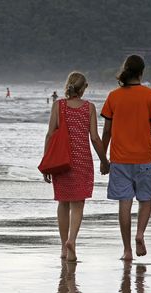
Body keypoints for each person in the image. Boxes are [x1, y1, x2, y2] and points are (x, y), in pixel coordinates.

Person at [101, 55, 151, 260]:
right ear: (142, 72)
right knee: (145, 199)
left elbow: (106, 131)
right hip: (144, 159)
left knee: (124, 203)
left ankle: (126, 250)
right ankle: (140, 233)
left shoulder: (113, 96)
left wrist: (103, 158)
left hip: (119, 159)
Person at [43, 72, 110, 261]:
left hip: (60, 161)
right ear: (83, 88)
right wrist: (104, 161)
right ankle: (72, 240)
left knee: (63, 203)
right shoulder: (89, 107)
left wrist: (47, 162)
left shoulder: (59, 106)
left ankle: (63, 248)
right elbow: (95, 138)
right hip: (82, 162)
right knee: (78, 204)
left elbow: (50, 135)